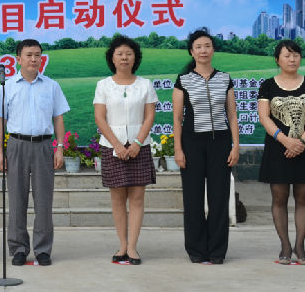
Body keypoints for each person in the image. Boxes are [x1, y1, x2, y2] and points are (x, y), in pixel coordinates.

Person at [0, 39, 68, 266]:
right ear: (18, 59)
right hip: (17, 144)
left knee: (44, 200)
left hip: (44, 145)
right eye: (29, 55)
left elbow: (58, 118)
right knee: (17, 199)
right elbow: (0, 121)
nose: (34, 59)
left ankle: (43, 249)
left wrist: (60, 147)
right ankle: (19, 248)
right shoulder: (7, 86)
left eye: (37, 55)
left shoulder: (51, 86)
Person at [172, 28, 240, 264]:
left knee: (219, 198)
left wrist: (235, 146)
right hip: (192, 143)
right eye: (198, 47)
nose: (203, 50)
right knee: (193, 199)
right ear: (191, 52)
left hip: (220, 143)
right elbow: (177, 119)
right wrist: (178, 150)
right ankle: (197, 250)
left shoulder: (224, 78)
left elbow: (232, 115)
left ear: (213, 50)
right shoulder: (183, 80)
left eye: (207, 46)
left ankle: (217, 251)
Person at [257, 40, 305, 265]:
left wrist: (301, 142)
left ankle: (300, 246)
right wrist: (286, 140)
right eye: (287, 56)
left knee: (303, 196)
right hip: (278, 147)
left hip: (304, 147)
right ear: (278, 60)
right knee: (279, 197)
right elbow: (264, 117)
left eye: (295, 55)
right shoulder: (268, 85)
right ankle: (285, 246)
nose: (292, 59)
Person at [93, 35, 157, 265]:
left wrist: (137, 142)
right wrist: (117, 145)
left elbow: (149, 116)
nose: (124, 58)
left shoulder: (145, 84)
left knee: (137, 198)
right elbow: (100, 117)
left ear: (135, 58)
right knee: (118, 198)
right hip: (113, 147)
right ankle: (122, 245)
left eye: (129, 54)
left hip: (140, 146)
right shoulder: (103, 85)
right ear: (112, 58)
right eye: (119, 54)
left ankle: (132, 247)